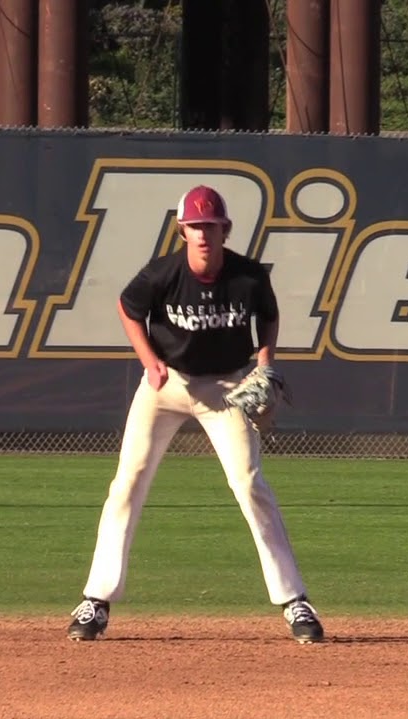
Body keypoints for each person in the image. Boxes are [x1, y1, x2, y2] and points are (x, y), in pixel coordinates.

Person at [66, 185, 324, 644]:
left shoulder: (248, 277)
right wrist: (149, 361)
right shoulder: (163, 273)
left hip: (226, 388)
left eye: (211, 226)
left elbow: (267, 316)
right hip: (166, 386)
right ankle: (96, 600)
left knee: (249, 484)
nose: (203, 234)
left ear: (225, 229)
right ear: (182, 230)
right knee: (127, 482)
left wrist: (265, 363)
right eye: (195, 226)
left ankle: (294, 600)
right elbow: (127, 308)